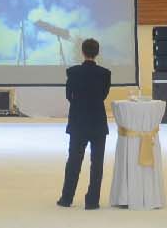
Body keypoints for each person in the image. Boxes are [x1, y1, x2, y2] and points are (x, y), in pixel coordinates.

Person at [59, 38, 112, 209]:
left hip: (78, 121)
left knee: (74, 161)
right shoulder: (105, 73)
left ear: (82, 52)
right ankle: (92, 201)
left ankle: (66, 198)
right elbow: (103, 95)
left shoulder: (72, 72)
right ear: (97, 53)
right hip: (98, 122)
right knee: (97, 163)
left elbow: (69, 96)